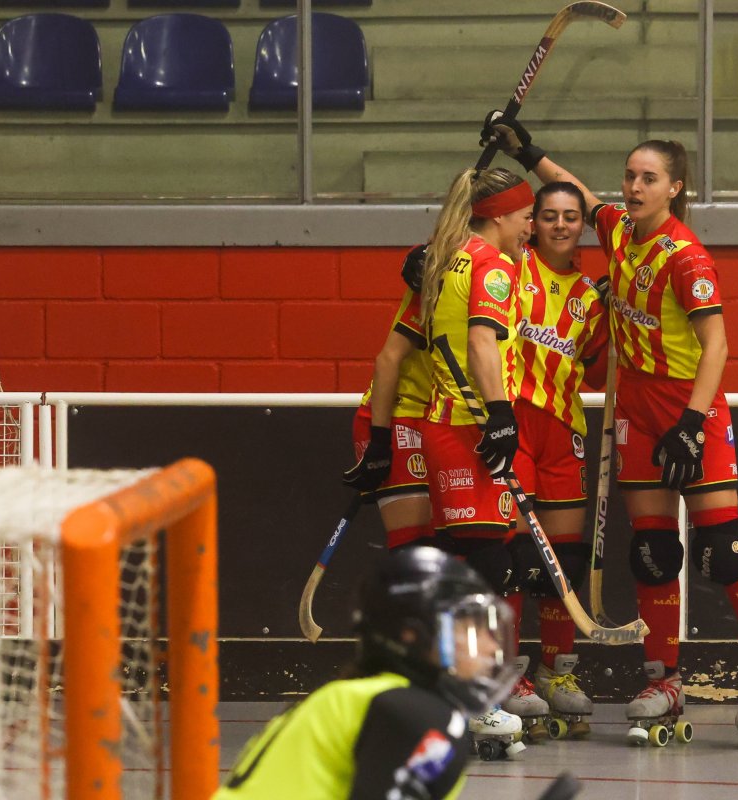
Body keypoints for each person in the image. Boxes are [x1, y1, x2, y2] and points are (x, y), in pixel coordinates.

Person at [481, 115, 738, 747]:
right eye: (630, 176)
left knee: (724, 550)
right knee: (652, 555)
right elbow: (572, 189)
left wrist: (691, 422)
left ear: (675, 188)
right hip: (635, 413)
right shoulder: (621, 233)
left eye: (648, 178)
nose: (633, 187)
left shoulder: (688, 258)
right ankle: (664, 679)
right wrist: (527, 151)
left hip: (691, 414)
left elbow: (717, 343)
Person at [212, 546, 520, 799]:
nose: (490, 644)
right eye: (470, 628)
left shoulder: (357, 695)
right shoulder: (416, 713)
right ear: (413, 635)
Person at [418, 165, 536, 742]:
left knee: (464, 564)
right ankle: (469, 701)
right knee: (485, 569)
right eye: (526, 215)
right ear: (499, 215)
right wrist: (501, 415)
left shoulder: (449, 256)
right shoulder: (491, 266)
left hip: (447, 428)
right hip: (466, 429)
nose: (531, 227)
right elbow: (481, 340)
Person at [499, 182, 609, 739]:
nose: (561, 225)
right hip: (515, 423)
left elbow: (594, 372)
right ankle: (508, 674)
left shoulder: (590, 297)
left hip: (565, 429)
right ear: (533, 223)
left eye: (571, 216)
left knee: (560, 557)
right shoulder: (510, 271)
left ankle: (556, 672)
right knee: (518, 555)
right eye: (549, 216)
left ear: (582, 226)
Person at [342, 245, 436, 552]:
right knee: (416, 550)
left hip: (450, 424)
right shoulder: (447, 274)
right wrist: (379, 440)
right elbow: (388, 359)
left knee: (454, 549)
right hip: (402, 414)